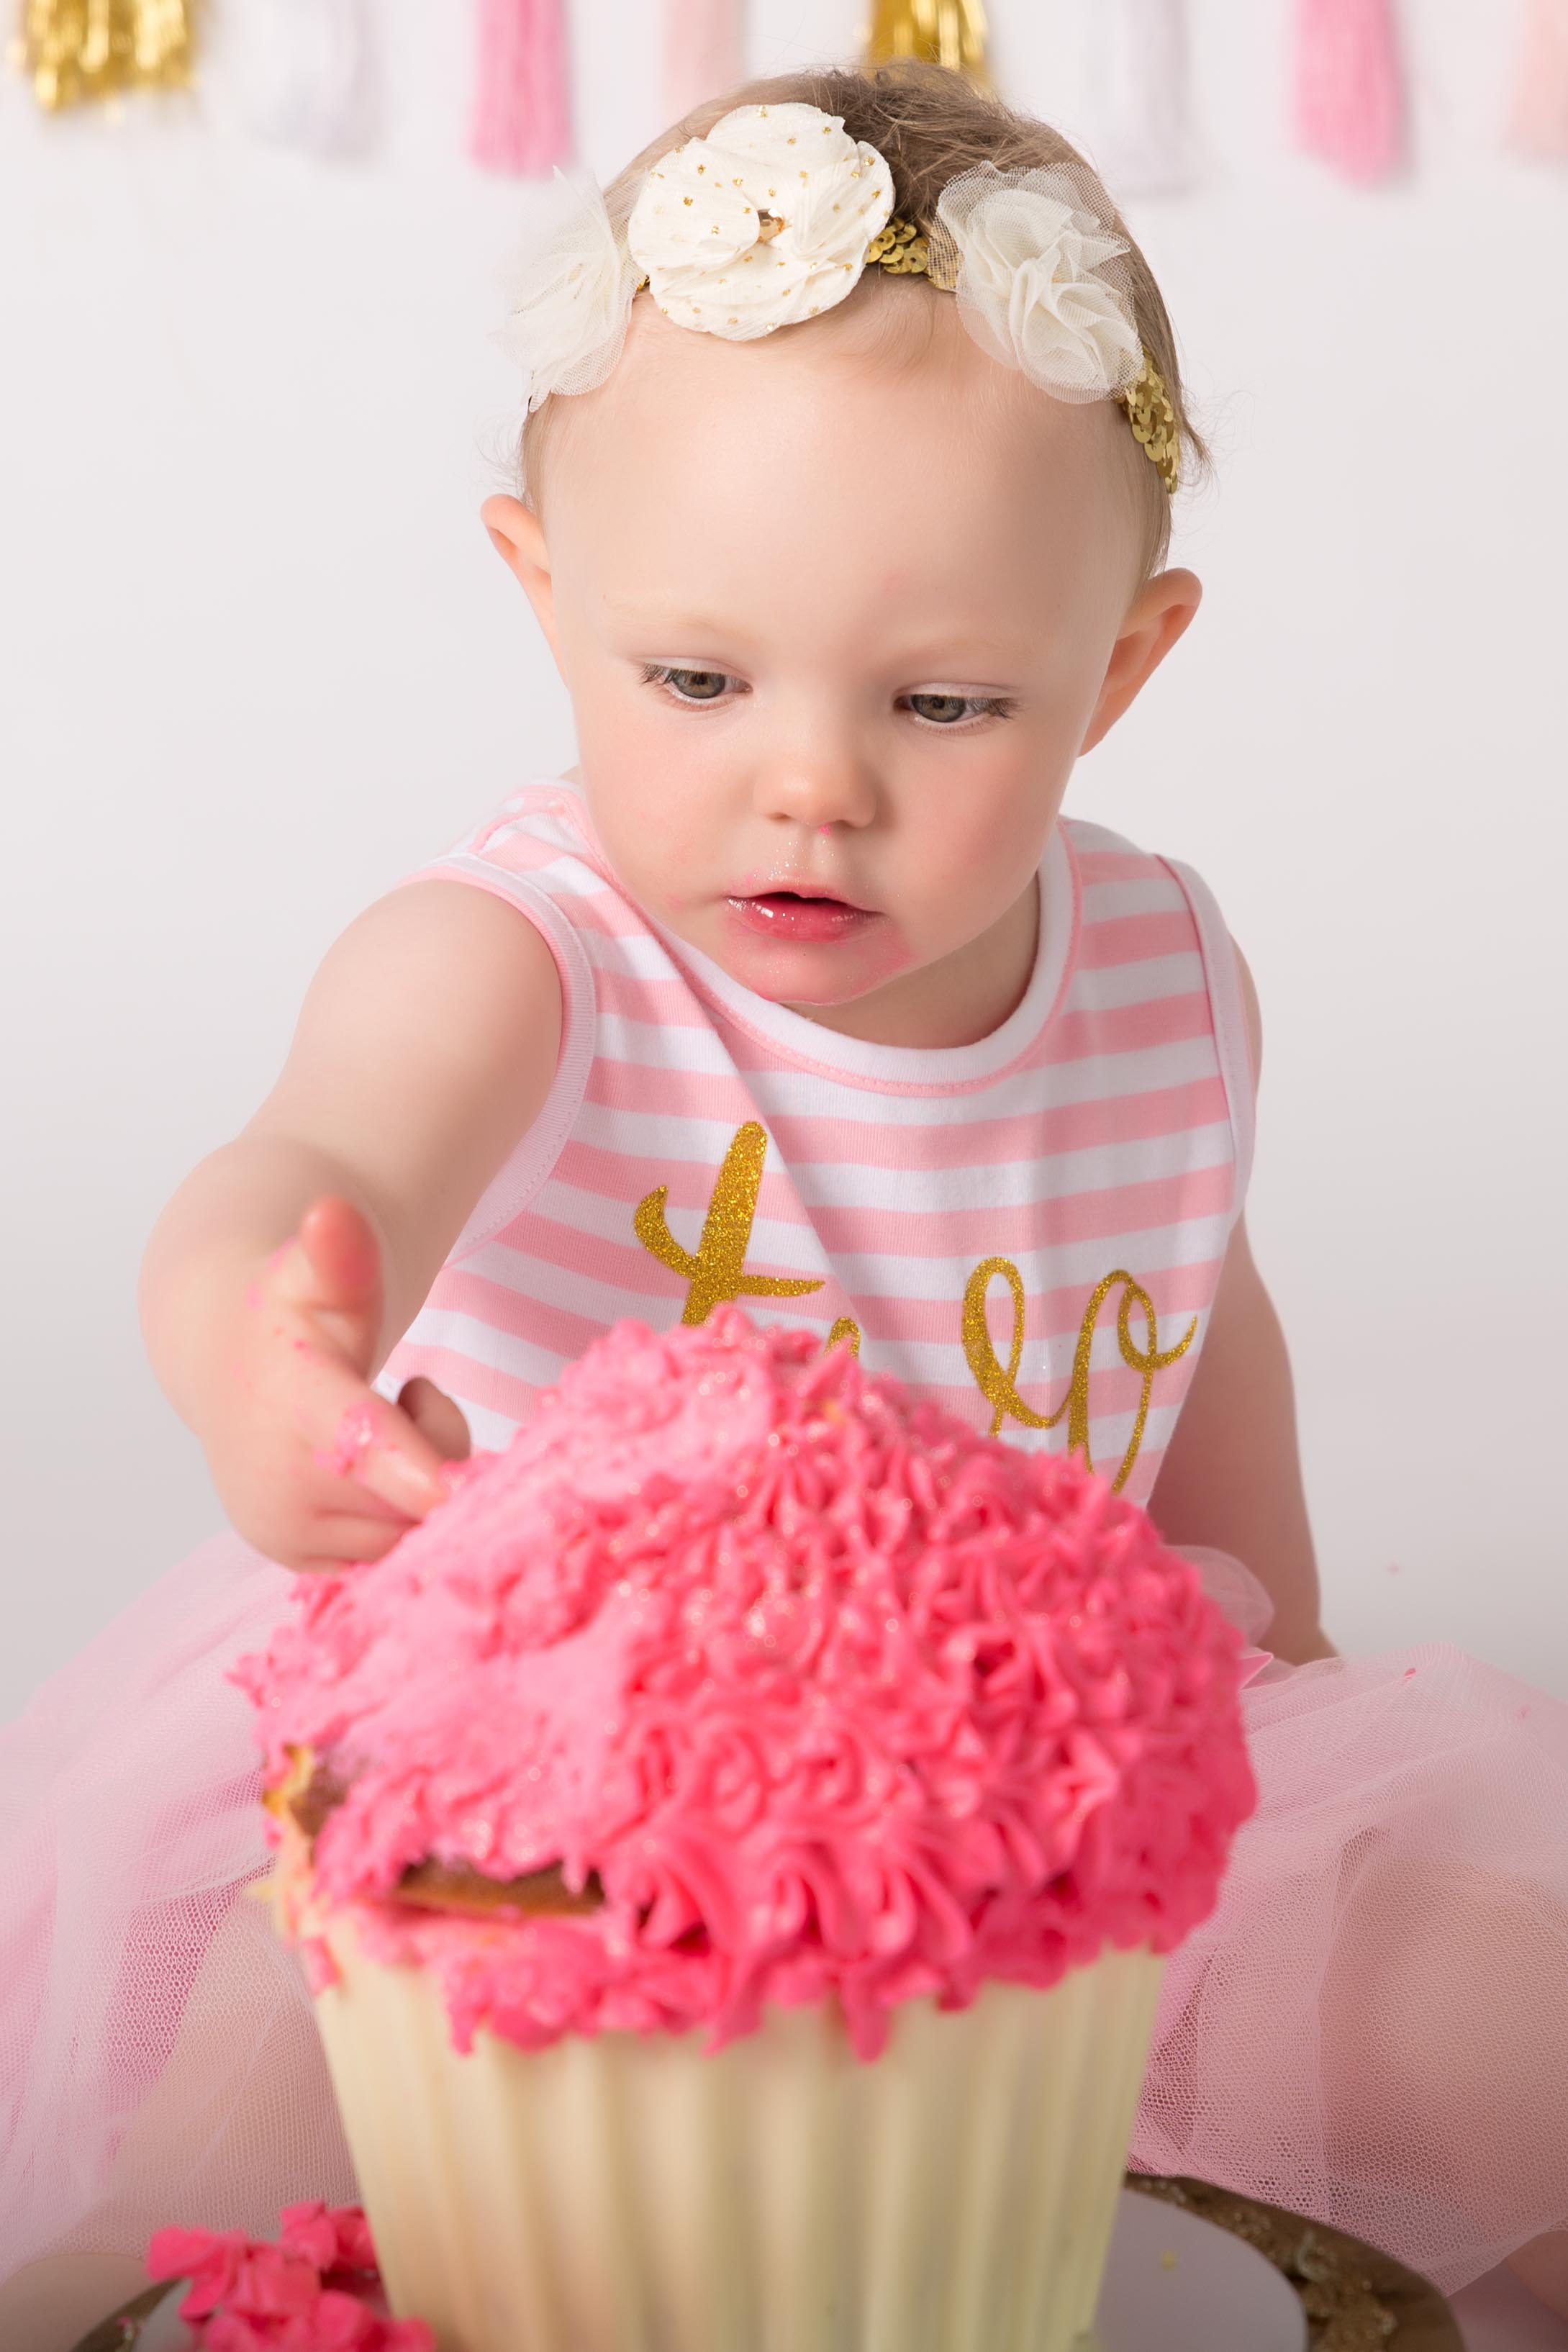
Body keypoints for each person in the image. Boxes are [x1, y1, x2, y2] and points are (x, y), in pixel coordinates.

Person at [4, 58, 1566, 2343]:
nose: (808, 782)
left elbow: (1184, 1297)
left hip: (1017, 1814)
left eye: (942, 705)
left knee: (1492, 2018)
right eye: (698, 678)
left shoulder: (1155, 965)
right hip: (538, 1792)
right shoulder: (526, 953)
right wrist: (265, 1341)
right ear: (546, 595)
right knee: (283, 2061)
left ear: (1117, 667)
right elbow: (310, 1162)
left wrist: (1280, 1671)